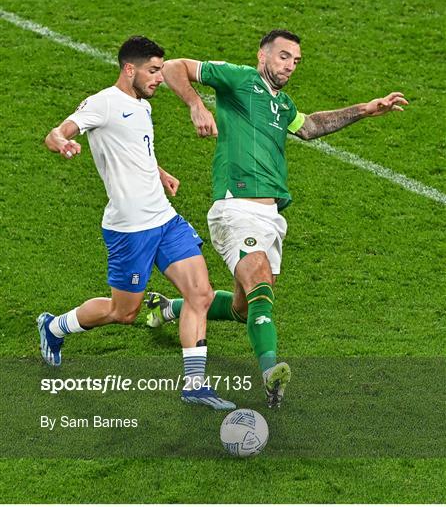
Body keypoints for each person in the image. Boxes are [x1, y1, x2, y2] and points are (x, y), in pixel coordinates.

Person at [145, 29, 408, 409]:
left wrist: (367, 109)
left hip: (271, 217)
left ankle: (167, 308)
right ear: (263, 56)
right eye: (284, 56)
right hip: (236, 207)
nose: (290, 65)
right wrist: (195, 105)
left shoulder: (282, 105)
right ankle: (270, 371)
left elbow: (312, 127)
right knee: (261, 286)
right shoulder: (239, 79)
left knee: (244, 307)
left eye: (296, 60)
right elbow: (173, 67)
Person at [38, 35, 235, 411]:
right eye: (153, 70)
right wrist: (63, 143)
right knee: (122, 312)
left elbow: (136, 149)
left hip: (164, 219)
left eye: (160, 70)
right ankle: (54, 326)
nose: (160, 77)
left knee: (201, 293)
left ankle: (195, 386)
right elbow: (57, 132)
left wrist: (159, 173)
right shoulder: (103, 103)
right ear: (130, 69)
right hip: (129, 228)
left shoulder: (141, 105)